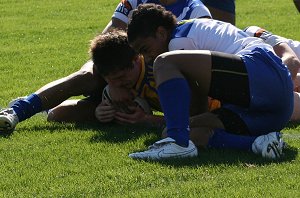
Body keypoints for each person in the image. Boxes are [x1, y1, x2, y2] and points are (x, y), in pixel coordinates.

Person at [126, 3, 294, 160]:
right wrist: (190, 124)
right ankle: (260, 144)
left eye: (145, 49)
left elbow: (196, 94)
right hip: (273, 111)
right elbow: (198, 95)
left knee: (163, 62)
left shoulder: (179, 40)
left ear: (161, 33)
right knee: (188, 131)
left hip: (264, 71)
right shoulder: (186, 36)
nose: (147, 58)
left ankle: (177, 142)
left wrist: (178, 131)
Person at [0, 30, 166, 135]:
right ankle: (16, 111)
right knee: (85, 77)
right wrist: (104, 103)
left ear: (137, 59)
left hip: (147, 106)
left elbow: (191, 120)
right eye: (111, 79)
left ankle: (45, 105)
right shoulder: (111, 69)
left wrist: (147, 119)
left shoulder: (160, 72)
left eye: (122, 78)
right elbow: (107, 42)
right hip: (108, 72)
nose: (118, 82)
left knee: (56, 115)